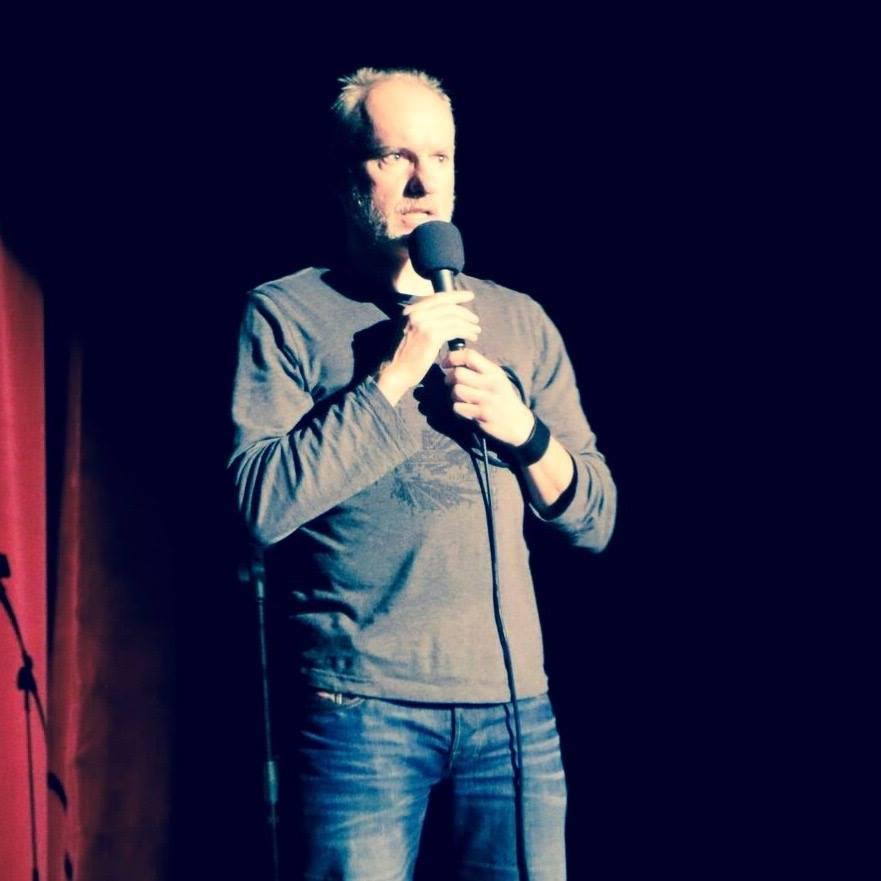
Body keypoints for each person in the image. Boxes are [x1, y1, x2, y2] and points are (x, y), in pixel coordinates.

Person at [229, 67, 616, 881]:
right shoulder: (286, 312)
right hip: (359, 709)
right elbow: (259, 502)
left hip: (512, 709)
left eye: (438, 157)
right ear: (346, 174)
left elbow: (594, 516)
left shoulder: (518, 319)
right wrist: (394, 376)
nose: (422, 181)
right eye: (394, 156)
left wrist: (523, 430)